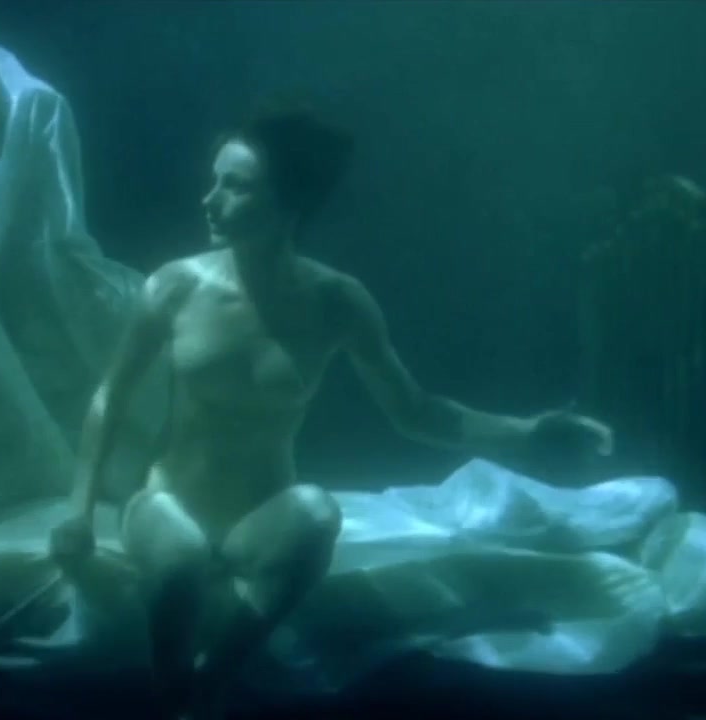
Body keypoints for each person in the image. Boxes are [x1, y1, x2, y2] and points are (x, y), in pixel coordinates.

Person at [48, 104, 615, 719]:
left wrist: (528, 433)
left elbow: (416, 411)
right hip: (168, 505)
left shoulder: (337, 301)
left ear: (290, 203)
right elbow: (111, 395)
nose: (210, 200)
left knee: (319, 513)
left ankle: (210, 683)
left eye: (235, 186)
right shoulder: (174, 286)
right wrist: (78, 512)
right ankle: (176, 697)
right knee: (181, 564)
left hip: (260, 517)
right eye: (214, 182)